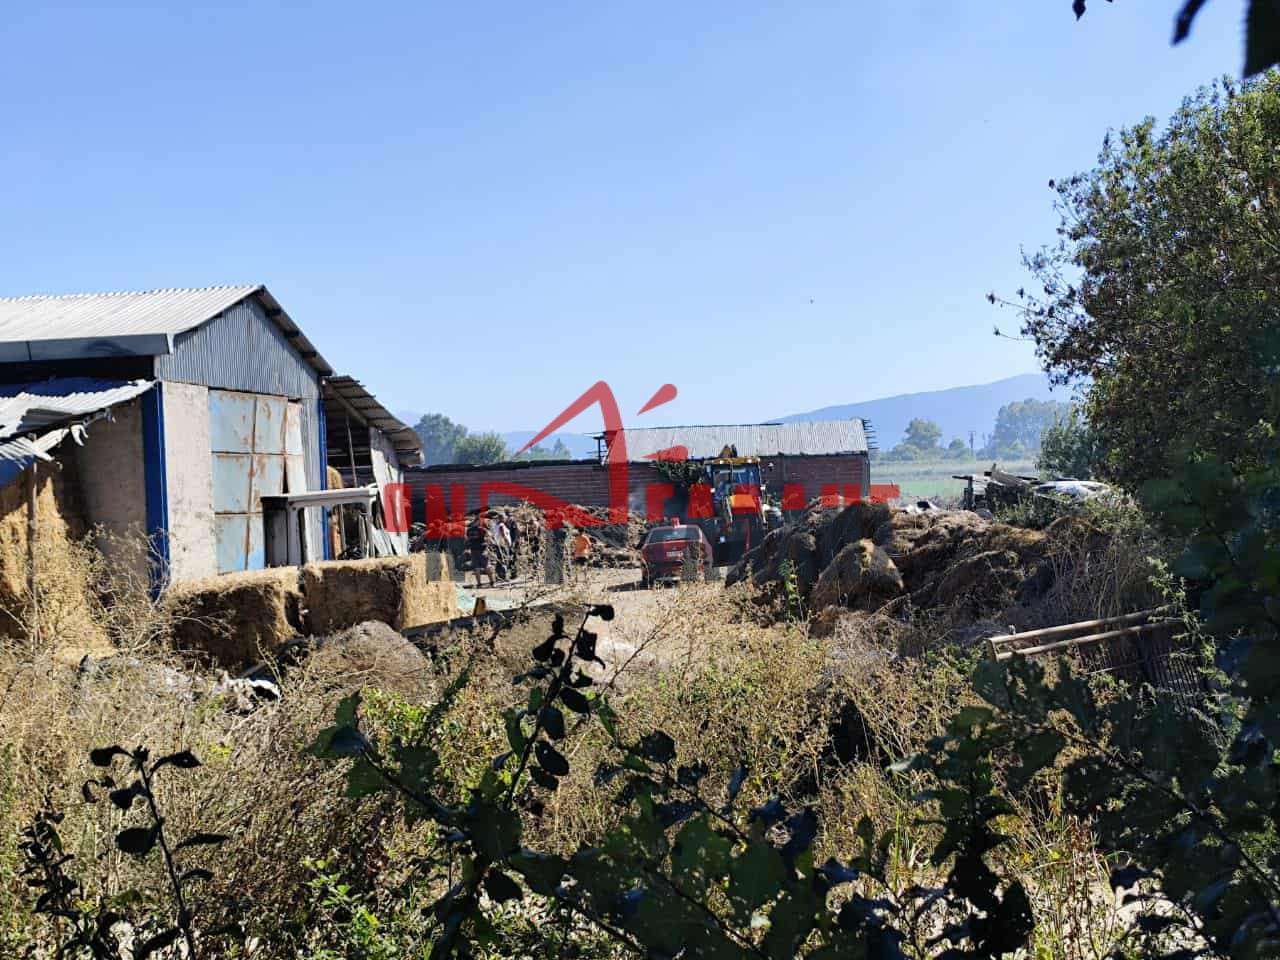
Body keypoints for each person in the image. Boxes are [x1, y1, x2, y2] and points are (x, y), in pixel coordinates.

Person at [466, 514, 495, 588]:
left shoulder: (469, 530)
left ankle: (479, 584)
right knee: (487, 566)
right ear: (478, 521)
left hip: (473, 550)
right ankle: (492, 582)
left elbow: (467, 539)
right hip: (482, 550)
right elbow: (490, 536)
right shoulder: (482, 529)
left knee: (476, 568)